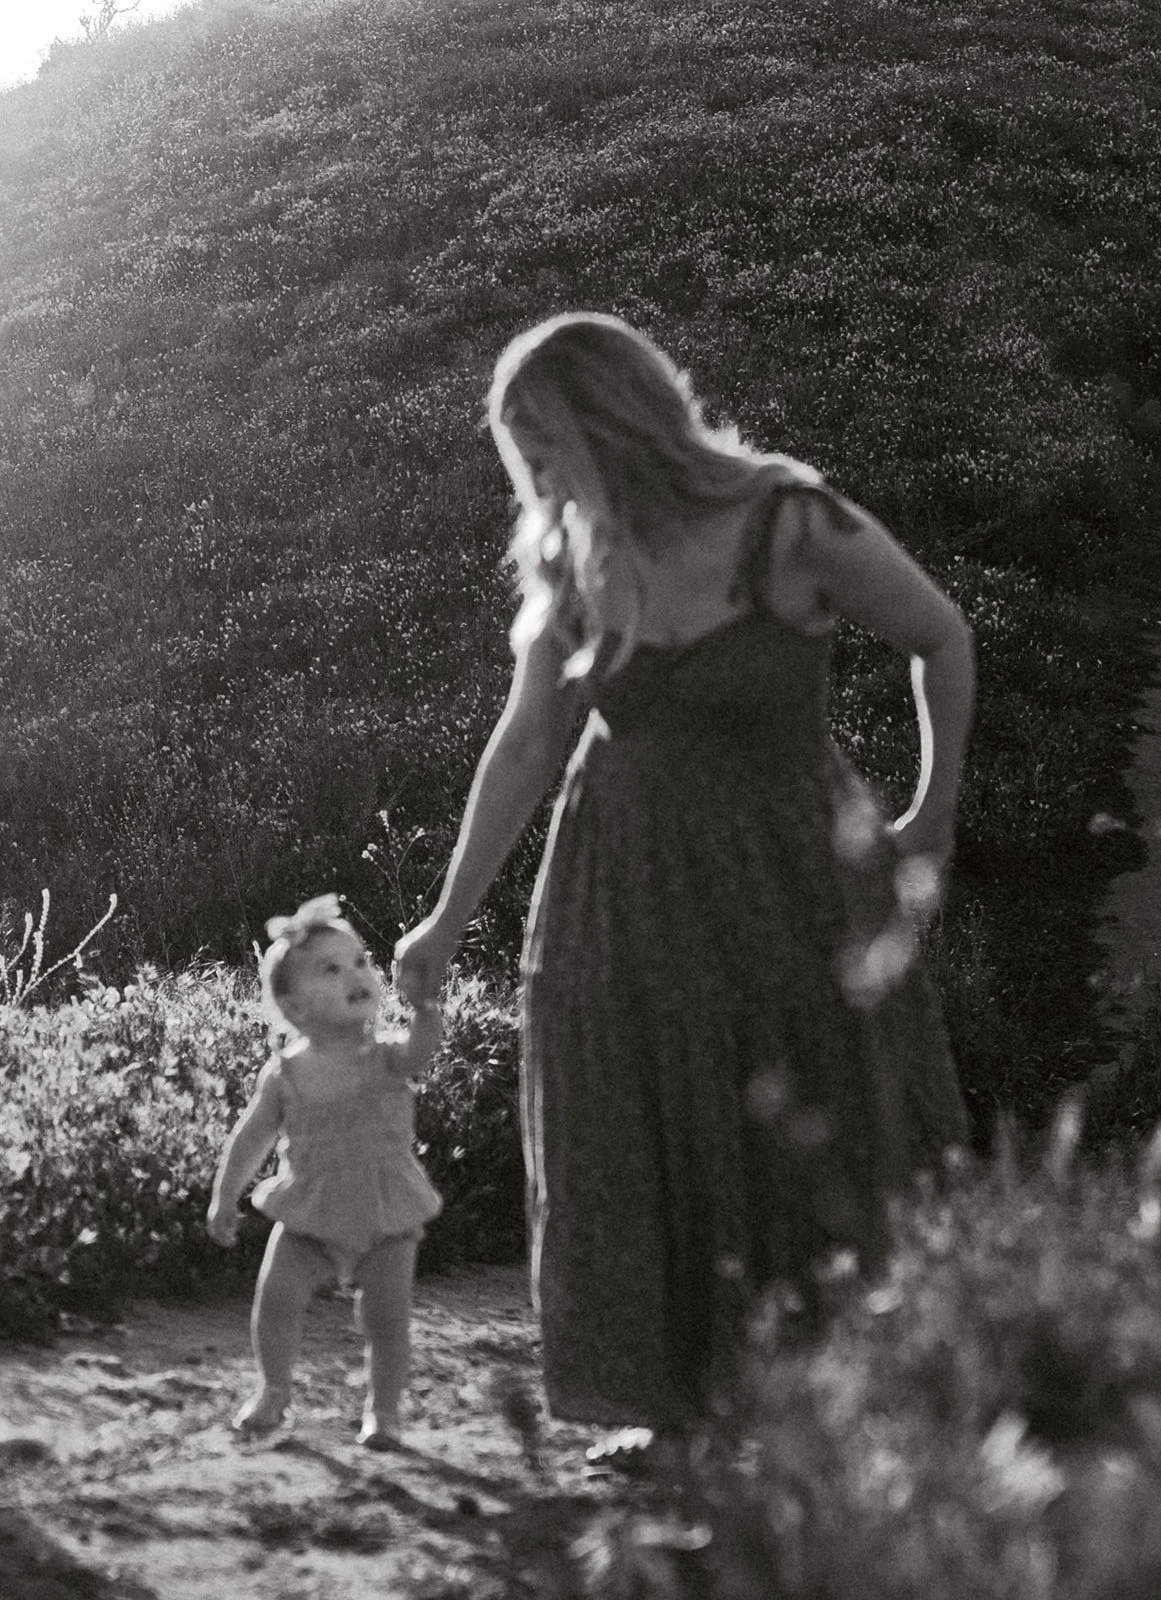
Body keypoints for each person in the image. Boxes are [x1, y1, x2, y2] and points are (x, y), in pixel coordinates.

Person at [395, 311, 973, 1449]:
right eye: (520, 447)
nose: (536, 468)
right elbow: (523, 746)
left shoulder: (788, 519)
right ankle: (668, 1407)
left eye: (544, 437)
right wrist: (444, 916)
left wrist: (931, 814)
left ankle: (837, 1396)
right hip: (619, 885)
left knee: (809, 1112)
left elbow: (938, 636)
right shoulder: (571, 553)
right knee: (631, 1118)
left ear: (614, 415)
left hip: (789, 872)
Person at [207, 894, 442, 1447]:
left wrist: (427, 1010)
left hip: (385, 1208)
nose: (355, 975)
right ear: (293, 1008)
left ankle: (383, 1412)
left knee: (385, 1320)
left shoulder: (385, 1056)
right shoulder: (284, 1074)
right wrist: (225, 1195)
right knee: (277, 1298)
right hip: (309, 1208)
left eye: (360, 961)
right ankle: (274, 1390)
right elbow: (251, 1138)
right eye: (330, 969)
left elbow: (420, 1050)